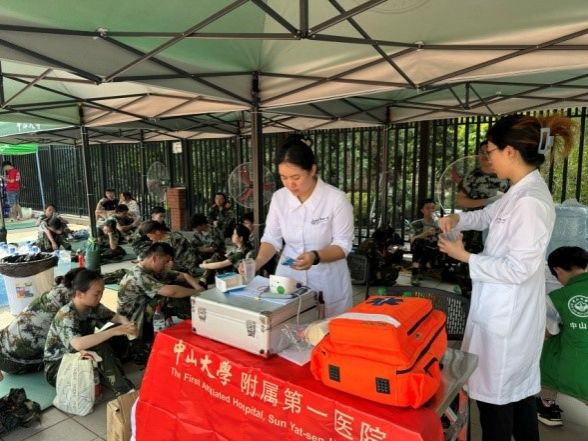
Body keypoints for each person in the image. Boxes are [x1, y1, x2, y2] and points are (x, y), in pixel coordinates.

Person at [437, 113, 576, 441]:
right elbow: (488, 215)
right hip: (501, 315)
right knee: (517, 399)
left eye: (491, 151)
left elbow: (518, 269)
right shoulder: (518, 192)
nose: (488, 159)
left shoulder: (531, 202)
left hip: (508, 322)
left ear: (510, 152)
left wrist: (465, 257)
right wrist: (458, 218)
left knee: (498, 406)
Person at [244, 134, 354, 318]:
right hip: (288, 280)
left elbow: (343, 245)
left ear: (312, 170)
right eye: (284, 177)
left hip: (327, 281)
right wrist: (257, 262)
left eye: (296, 177)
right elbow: (271, 238)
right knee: (286, 327)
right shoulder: (279, 198)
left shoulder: (336, 199)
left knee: (325, 329)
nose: (290, 184)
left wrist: (315, 256)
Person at [44, 270, 137, 395]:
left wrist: (127, 325)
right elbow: (78, 344)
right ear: (79, 294)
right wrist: (113, 331)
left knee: (118, 330)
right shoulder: (66, 315)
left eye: (102, 292)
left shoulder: (93, 306)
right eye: (97, 294)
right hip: (58, 368)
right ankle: (125, 390)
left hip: (80, 356)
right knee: (101, 343)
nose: (100, 297)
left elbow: (117, 317)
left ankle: (111, 369)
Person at [536, 246, 588, 427]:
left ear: (557, 271)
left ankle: (546, 404)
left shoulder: (558, 297)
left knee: (547, 344)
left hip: (577, 372)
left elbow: (547, 333)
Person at [117, 243, 203, 346]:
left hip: (144, 308)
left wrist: (199, 288)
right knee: (169, 298)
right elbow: (172, 292)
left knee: (182, 285)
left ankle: (198, 316)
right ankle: (199, 320)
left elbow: (184, 276)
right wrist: (197, 292)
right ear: (155, 258)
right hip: (133, 318)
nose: (167, 265)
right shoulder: (138, 274)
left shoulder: (151, 269)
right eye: (165, 262)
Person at [0, 269, 83, 374]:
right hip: (14, 361)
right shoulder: (71, 297)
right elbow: (78, 344)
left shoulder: (58, 291)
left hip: (6, 342)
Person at [456, 140, 510, 253]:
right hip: (474, 227)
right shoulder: (471, 176)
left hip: (498, 225)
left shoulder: (506, 175)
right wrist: (487, 201)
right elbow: (460, 201)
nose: (485, 155)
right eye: (482, 152)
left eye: (488, 152)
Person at [133, 220, 199, 275]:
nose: (150, 239)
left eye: (150, 236)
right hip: (175, 264)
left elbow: (169, 260)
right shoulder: (164, 237)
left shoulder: (174, 239)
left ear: (158, 232)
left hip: (184, 267)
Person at [409, 198, 442, 286]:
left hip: (437, 249)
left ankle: (426, 269)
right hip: (421, 249)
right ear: (422, 210)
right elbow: (412, 240)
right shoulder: (416, 224)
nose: (431, 210)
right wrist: (425, 234)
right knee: (417, 243)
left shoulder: (439, 224)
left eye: (433, 208)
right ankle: (415, 274)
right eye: (427, 208)